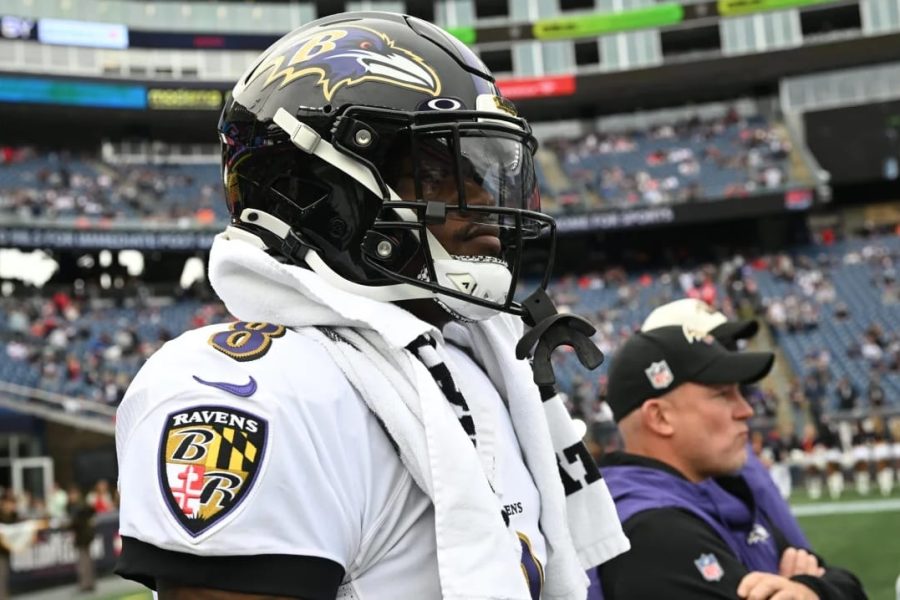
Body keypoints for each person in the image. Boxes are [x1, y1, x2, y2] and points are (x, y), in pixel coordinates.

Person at [114, 11, 628, 600]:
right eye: (440, 175)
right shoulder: (253, 389)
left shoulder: (475, 362)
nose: (485, 202)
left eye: (485, 176)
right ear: (318, 191)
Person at [593, 325, 866, 599]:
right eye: (722, 395)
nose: (746, 410)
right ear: (660, 418)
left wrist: (812, 589)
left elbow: (843, 582)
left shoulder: (721, 494)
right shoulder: (651, 532)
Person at [639, 298, 811, 549]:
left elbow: (800, 556)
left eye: (731, 346)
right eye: (716, 346)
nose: (731, 356)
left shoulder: (733, 454)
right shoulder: (651, 498)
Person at [68, 486, 96, 593]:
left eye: (73, 494)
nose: (71, 497)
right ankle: (88, 583)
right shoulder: (80, 505)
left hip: (83, 537)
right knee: (86, 560)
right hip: (84, 536)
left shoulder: (79, 506)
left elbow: (75, 522)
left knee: (84, 561)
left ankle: (86, 584)